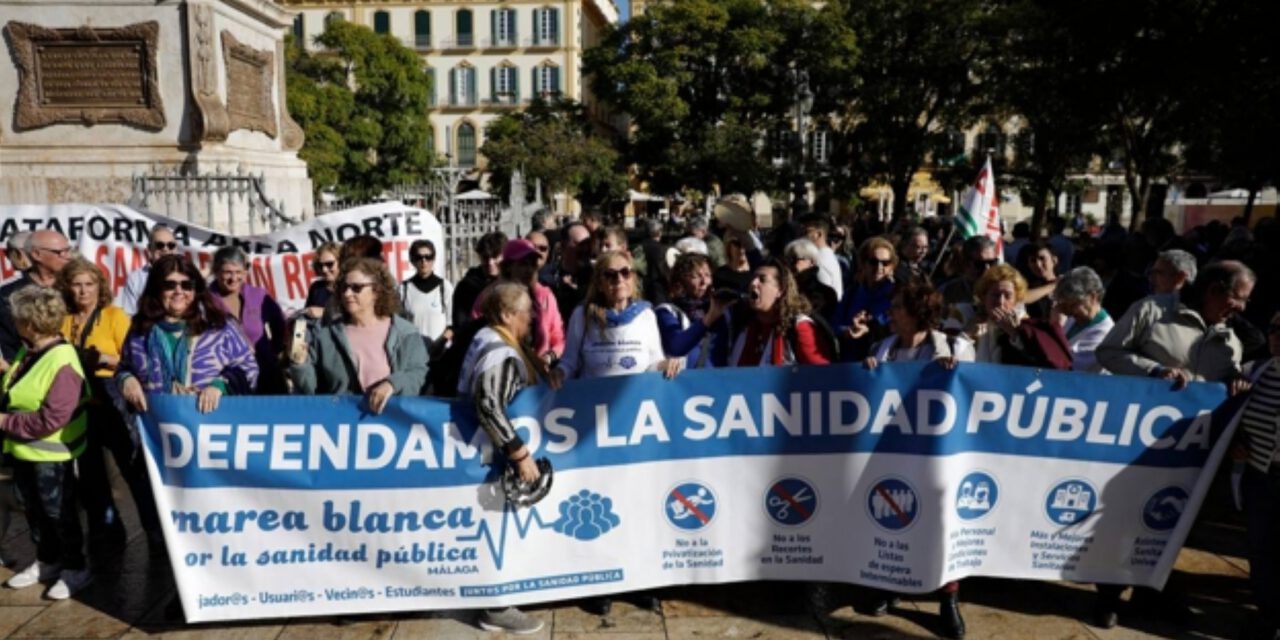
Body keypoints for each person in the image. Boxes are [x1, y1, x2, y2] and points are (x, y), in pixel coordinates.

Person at [550, 250, 678, 615]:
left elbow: (653, 359)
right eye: (610, 274)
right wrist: (560, 371)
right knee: (600, 503)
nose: (618, 280)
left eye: (625, 273)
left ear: (634, 278)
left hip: (635, 424)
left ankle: (638, 580)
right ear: (599, 281)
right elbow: (572, 359)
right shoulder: (583, 315)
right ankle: (599, 582)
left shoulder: (647, 315)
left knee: (637, 504)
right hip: (595, 426)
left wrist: (666, 364)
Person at [862, 279, 972, 639]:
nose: (890, 313)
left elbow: (974, 391)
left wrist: (956, 371)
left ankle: (948, 599)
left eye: (897, 307)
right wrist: (866, 371)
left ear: (917, 313)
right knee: (888, 517)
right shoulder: (882, 347)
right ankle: (888, 584)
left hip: (935, 455)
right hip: (889, 450)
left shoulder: (955, 346)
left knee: (940, 524)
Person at [457, 283, 547, 634]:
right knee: (498, 527)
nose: (532, 320)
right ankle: (496, 606)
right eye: (527, 313)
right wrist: (520, 453)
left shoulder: (489, 339)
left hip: (483, 453)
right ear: (508, 315)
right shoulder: (500, 352)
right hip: (491, 457)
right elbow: (489, 405)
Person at [56, 258, 157, 549]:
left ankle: (154, 532)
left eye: (89, 284)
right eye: (76, 285)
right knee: (90, 474)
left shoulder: (114, 316)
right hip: (77, 397)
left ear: (99, 287)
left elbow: (130, 361)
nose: (83, 291)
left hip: (111, 393)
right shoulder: (63, 319)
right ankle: (108, 533)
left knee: (132, 469)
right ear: (67, 288)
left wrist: (101, 358)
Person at [0, 287, 92, 599]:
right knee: (34, 510)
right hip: (25, 450)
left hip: (51, 455)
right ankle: (48, 560)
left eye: (17, 318)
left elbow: (52, 418)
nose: (13, 323)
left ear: (30, 323)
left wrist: (3, 422)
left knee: (58, 512)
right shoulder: (32, 350)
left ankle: (75, 568)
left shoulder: (62, 360)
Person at [117, 255, 259, 416]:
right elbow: (124, 368)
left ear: (195, 289)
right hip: (157, 430)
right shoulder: (140, 331)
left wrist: (220, 385)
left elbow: (249, 369)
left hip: (210, 426)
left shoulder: (219, 327)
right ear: (156, 289)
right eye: (169, 285)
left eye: (187, 285)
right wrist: (126, 380)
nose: (179, 291)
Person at [287, 258, 427, 412]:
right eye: (344, 288)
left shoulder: (405, 333)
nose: (347, 294)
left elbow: (418, 373)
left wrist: (392, 384)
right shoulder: (325, 335)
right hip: (342, 426)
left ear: (376, 291)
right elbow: (311, 389)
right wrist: (300, 364)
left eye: (356, 288)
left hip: (391, 424)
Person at [1097, 260, 1255, 388]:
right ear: (1213, 290)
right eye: (1238, 298)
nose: (1242, 307)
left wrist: (1236, 380)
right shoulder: (1151, 310)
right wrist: (1154, 371)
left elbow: (1230, 377)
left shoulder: (1232, 338)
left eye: (1246, 300)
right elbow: (1109, 352)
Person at [1235, 311, 1280, 640]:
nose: (1278, 335)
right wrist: (1236, 443)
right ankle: (1269, 617)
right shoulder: (1255, 372)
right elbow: (1235, 423)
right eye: (1275, 327)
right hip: (1261, 477)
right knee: (1261, 551)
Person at [962, 264, 1072, 370]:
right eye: (995, 295)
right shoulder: (967, 320)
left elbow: (1042, 366)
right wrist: (965, 336)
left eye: (1008, 296)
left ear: (1016, 300)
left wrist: (1015, 334)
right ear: (984, 297)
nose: (1001, 302)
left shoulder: (1030, 328)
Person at [208, 247, 287, 393]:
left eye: (238, 272)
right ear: (216, 272)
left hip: (266, 375)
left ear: (245, 272)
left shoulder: (258, 296)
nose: (233, 278)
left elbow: (279, 323)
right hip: (228, 379)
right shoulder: (206, 301)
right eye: (227, 272)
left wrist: (275, 351)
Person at [471, 240, 565, 362]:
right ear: (508, 267)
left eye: (532, 264)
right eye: (523, 264)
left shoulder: (544, 295)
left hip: (539, 372)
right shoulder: (490, 297)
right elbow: (479, 337)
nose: (529, 269)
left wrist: (548, 357)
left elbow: (558, 337)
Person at [729, 258, 833, 366]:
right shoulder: (746, 327)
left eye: (762, 279)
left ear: (780, 290)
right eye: (753, 278)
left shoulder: (800, 327)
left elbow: (821, 375)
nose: (753, 283)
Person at [1, 230, 73, 369]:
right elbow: (7, 343)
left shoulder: (77, 288)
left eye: (68, 250)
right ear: (36, 254)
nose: (68, 257)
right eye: (60, 252)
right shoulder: (8, 295)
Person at [656, 253, 732, 369]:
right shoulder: (668, 311)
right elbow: (676, 348)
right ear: (680, 281)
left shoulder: (722, 312)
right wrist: (708, 320)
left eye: (707, 275)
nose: (704, 282)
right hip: (685, 383)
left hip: (718, 382)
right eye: (696, 276)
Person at [834, 237, 898, 361]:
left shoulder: (897, 295)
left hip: (883, 363)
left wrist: (870, 328)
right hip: (850, 363)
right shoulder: (851, 293)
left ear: (892, 266)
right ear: (863, 264)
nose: (879, 267)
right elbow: (834, 324)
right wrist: (847, 331)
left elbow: (901, 329)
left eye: (885, 263)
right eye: (873, 262)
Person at [1052, 267, 1114, 374]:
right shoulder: (1074, 319)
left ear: (1092, 297)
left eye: (1074, 305)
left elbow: (1066, 364)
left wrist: (1056, 327)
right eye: (1066, 305)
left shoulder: (1104, 333)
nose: (1069, 311)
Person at [117, 225, 180, 315]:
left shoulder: (186, 276)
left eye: (171, 245)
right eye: (160, 245)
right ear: (150, 248)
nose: (165, 249)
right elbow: (129, 316)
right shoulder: (135, 279)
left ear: (176, 249)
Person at [399, 239, 454, 344]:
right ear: (412, 260)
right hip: (414, 352)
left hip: (441, 353)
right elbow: (399, 324)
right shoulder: (403, 289)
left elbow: (451, 325)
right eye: (419, 258)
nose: (424, 261)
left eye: (428, 257)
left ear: (433, 259)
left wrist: (441, 343)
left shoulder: (444, 287)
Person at [453, 232, 506, 329]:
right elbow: (461, 325)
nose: (490, 262)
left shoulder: (513, 283)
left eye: (495, 256)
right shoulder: (466, 287)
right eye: (486, 257)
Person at [938, 236, 998, 308]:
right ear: (965, 263)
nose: (987, 268)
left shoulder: (1004, 292)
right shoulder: (947, 292)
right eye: (980, 264)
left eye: (992, 262)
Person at [785, 239, 837, 320]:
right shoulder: (784, 286)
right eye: (788, 259)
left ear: (811, 262)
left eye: (795, 258)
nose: (790, 263)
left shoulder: (824, 293)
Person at [799, 214, 844, 302]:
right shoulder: (825, 255)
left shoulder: (819, 261)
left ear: (818, 234)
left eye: (806, 232)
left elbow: (822, 298)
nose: (802, 236)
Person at [1019, 242, 1060, 320]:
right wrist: (1052, 286)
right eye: (1033, 260)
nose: (1038, 264)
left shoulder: (1066, 283)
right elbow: (1022, 297)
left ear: (1054, 260)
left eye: (1042, 258)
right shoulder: (1025, 286)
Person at [302, 242, 342, 320]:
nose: (324, 270)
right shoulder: (316, 288)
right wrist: (298, 332)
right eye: (320, 265)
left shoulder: (352, 287)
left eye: (329, 264)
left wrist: (325, 313)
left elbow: (359, 315)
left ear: (342, 261)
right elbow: (304, 317)